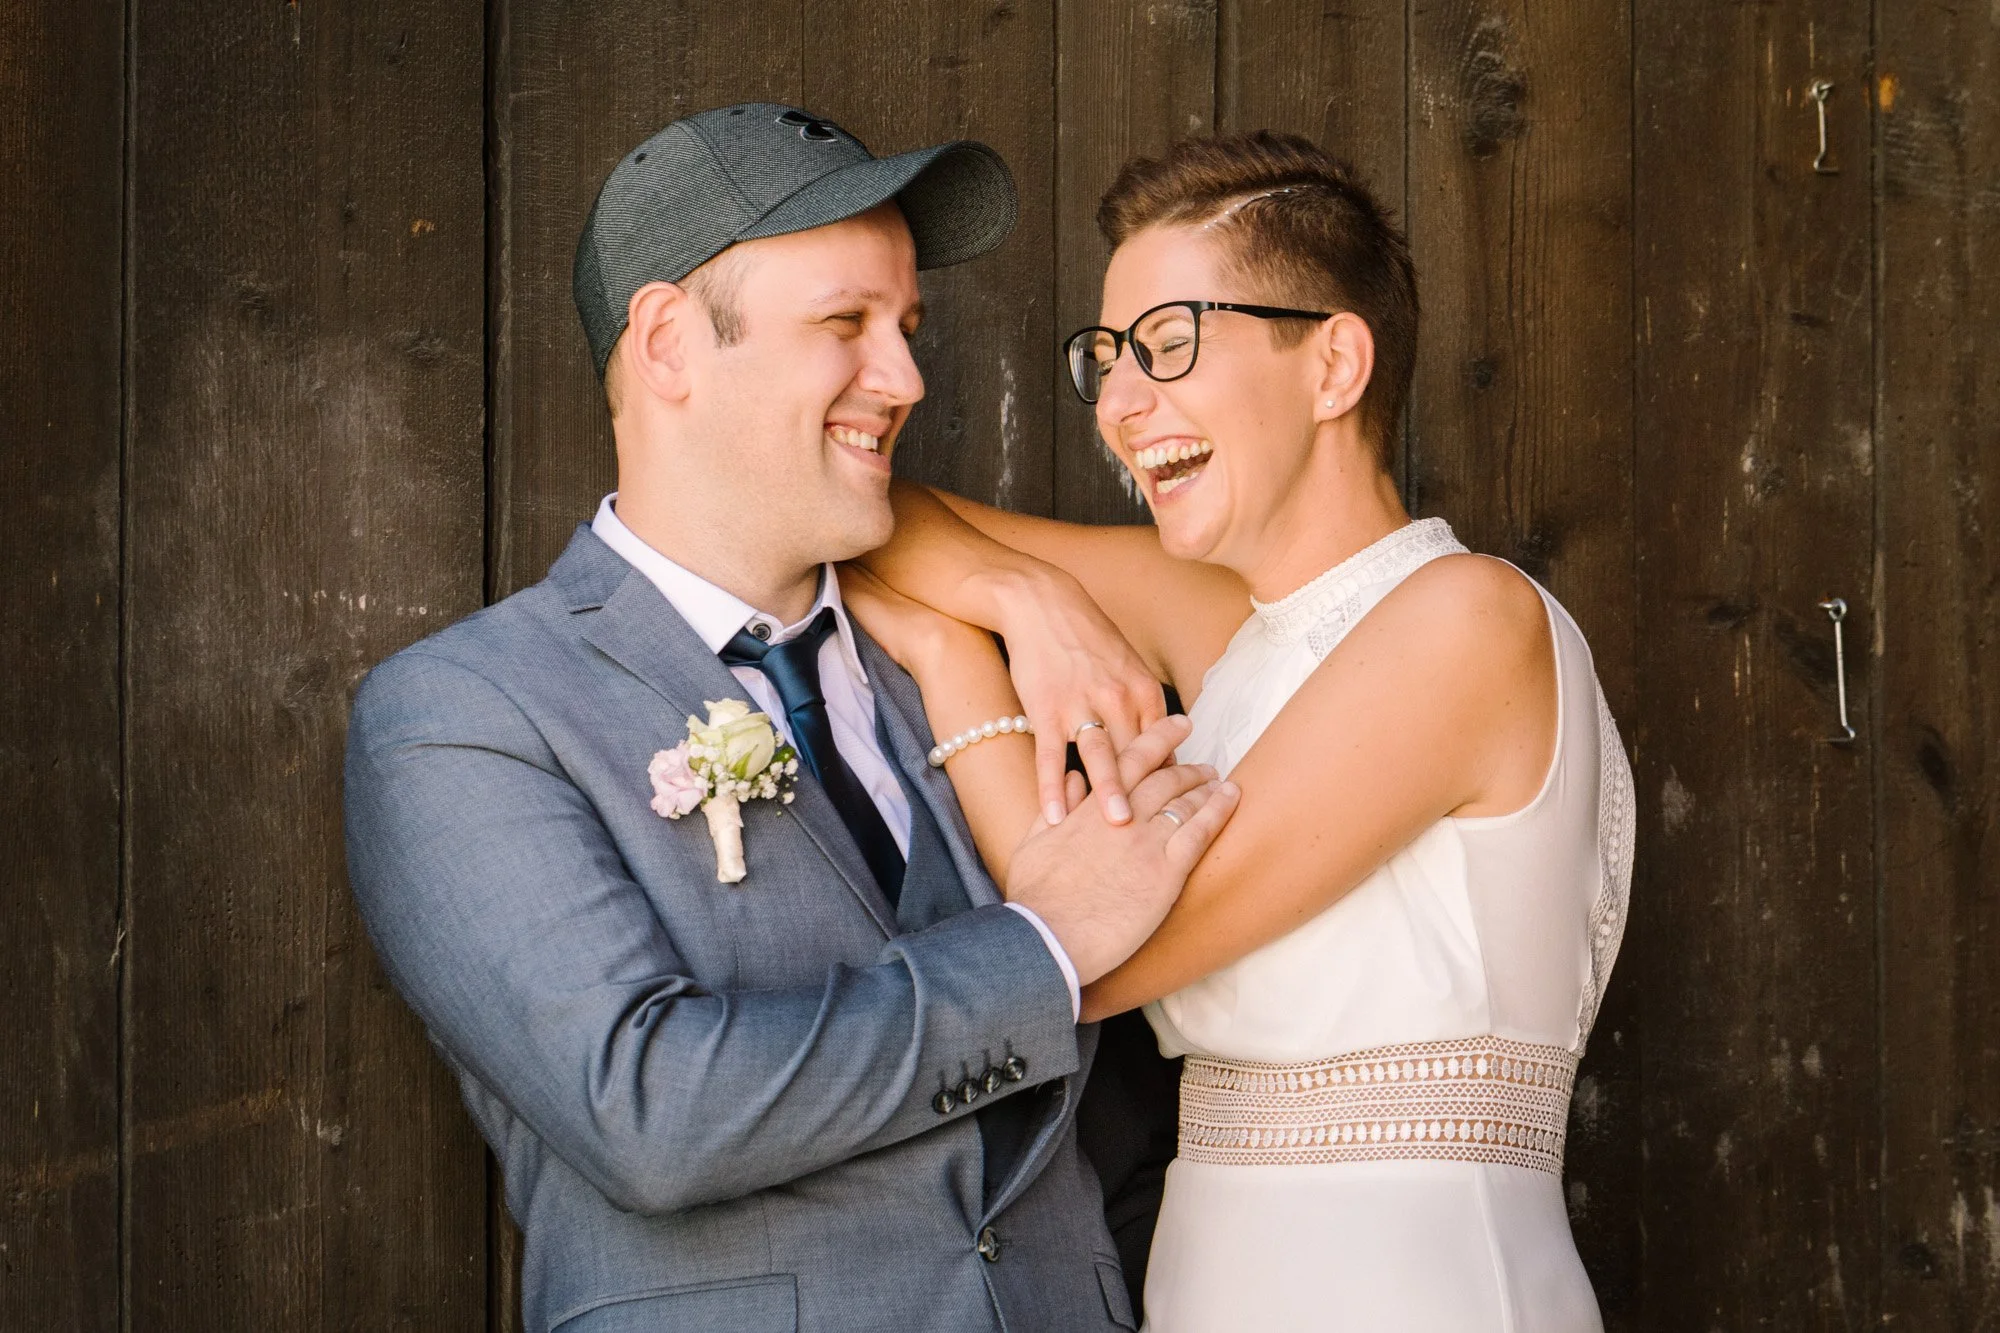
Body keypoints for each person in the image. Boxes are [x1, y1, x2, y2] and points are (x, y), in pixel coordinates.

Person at [341, 104, 1240, 1333]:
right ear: (667, 343)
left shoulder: (995, 670)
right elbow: (649, 1110)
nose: (908, 377)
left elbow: (1127, 1116)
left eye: (906, 327)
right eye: (844, 323)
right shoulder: (467, 713)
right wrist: (1041, 946)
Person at [854, 130, 1636, 1330]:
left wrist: (956, 655)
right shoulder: (1229, 617)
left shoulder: (1469, 622)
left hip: (1422, 1289)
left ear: (1333, 365)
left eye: (1168, 345)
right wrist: (1028, 602)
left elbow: (1087, 956)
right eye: (1107, 358)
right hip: (1212, 1273)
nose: (1118, 405)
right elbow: (858, 515)